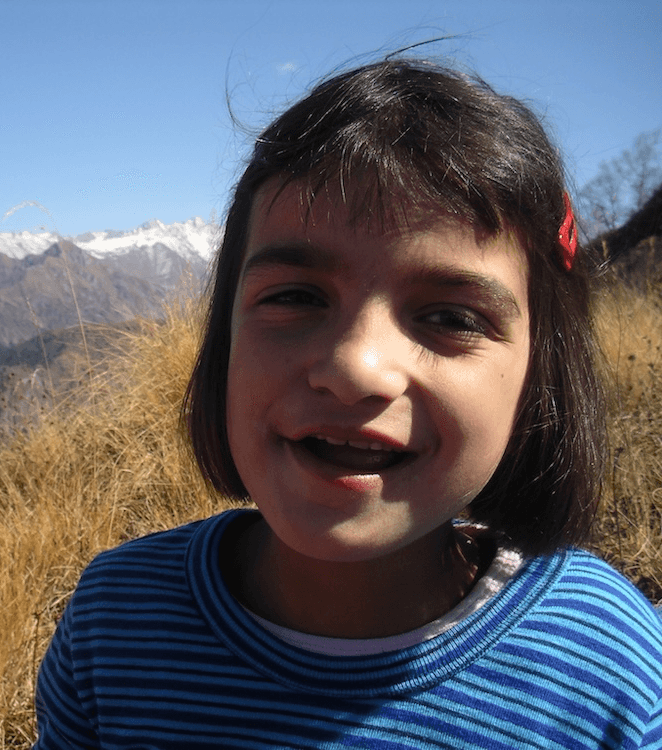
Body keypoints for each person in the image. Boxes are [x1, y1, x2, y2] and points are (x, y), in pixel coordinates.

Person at [32, 58, 662, 748]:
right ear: (224, 344)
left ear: (538, 378)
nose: (354, 368)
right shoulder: (117, 621)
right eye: (296, 297)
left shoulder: (603, 662)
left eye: (451, 317)